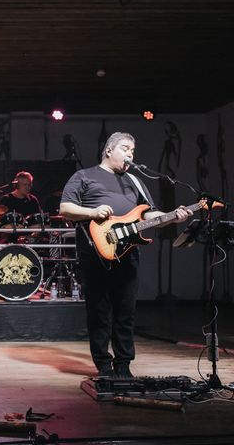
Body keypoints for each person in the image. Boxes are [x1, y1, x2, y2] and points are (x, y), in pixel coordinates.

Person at [59, 132, 192, 378]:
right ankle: (103, 363)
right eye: (125, 148)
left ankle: (123, 364)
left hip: (128, 254)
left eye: (133, 150)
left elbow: (148, 215)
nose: (130, 154)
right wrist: (92, 211)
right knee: (99, 311)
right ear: (109, 150)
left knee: (125, 311)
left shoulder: (134, 181)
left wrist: (172, 215)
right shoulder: (84, 176)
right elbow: (65, 208)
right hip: (96, 254)